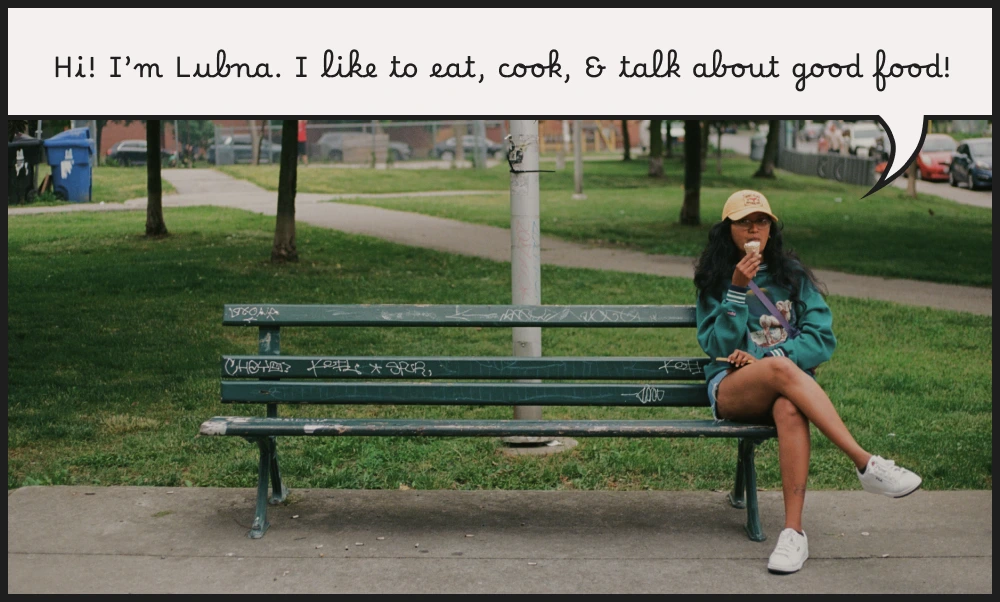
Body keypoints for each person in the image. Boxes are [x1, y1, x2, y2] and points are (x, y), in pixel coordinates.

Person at [693, 190, 921, 575]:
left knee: (788, 404)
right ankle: (865, 463)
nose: (754, 227)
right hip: (732, 389)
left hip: (782, 384)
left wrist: (766, 360)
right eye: (744, 221)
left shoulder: (791, 275)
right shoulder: (716, 277)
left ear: (771, 228)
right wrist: (735, 287)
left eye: (762, 220)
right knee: (782, 374)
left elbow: (821, 337)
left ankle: (793, 534)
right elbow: (716, 346)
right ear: (727, 229)